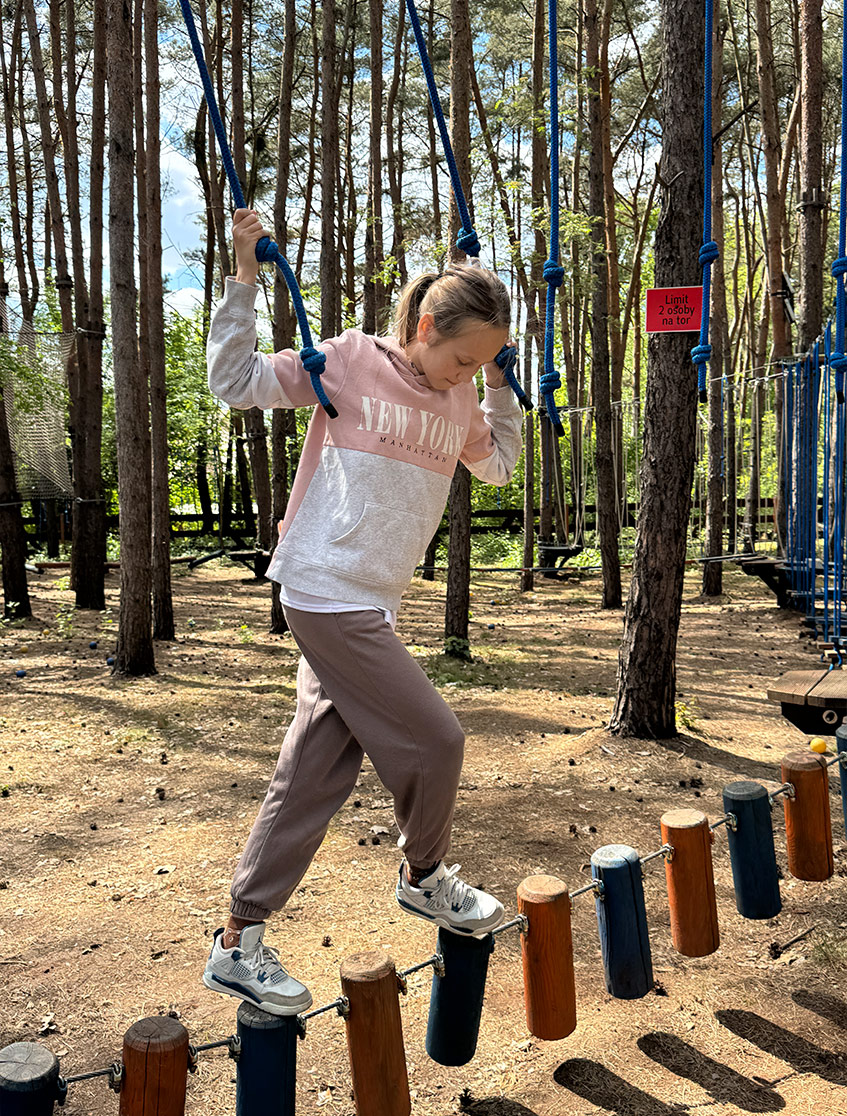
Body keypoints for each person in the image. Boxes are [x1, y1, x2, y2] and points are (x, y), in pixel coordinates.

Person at [202, 208, 524, 1016]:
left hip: (370, 602)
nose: (464, 374)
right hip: (324, 587)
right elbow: (234, 383)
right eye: (462, 358)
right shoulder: (348, 360)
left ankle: (238, 940)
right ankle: (424, 876)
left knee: (313, 775)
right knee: (438, 740)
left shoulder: (461, 400)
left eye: (481, 364)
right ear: (425, 327)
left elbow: (498, 467)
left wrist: (495, 385)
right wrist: (244, 276)